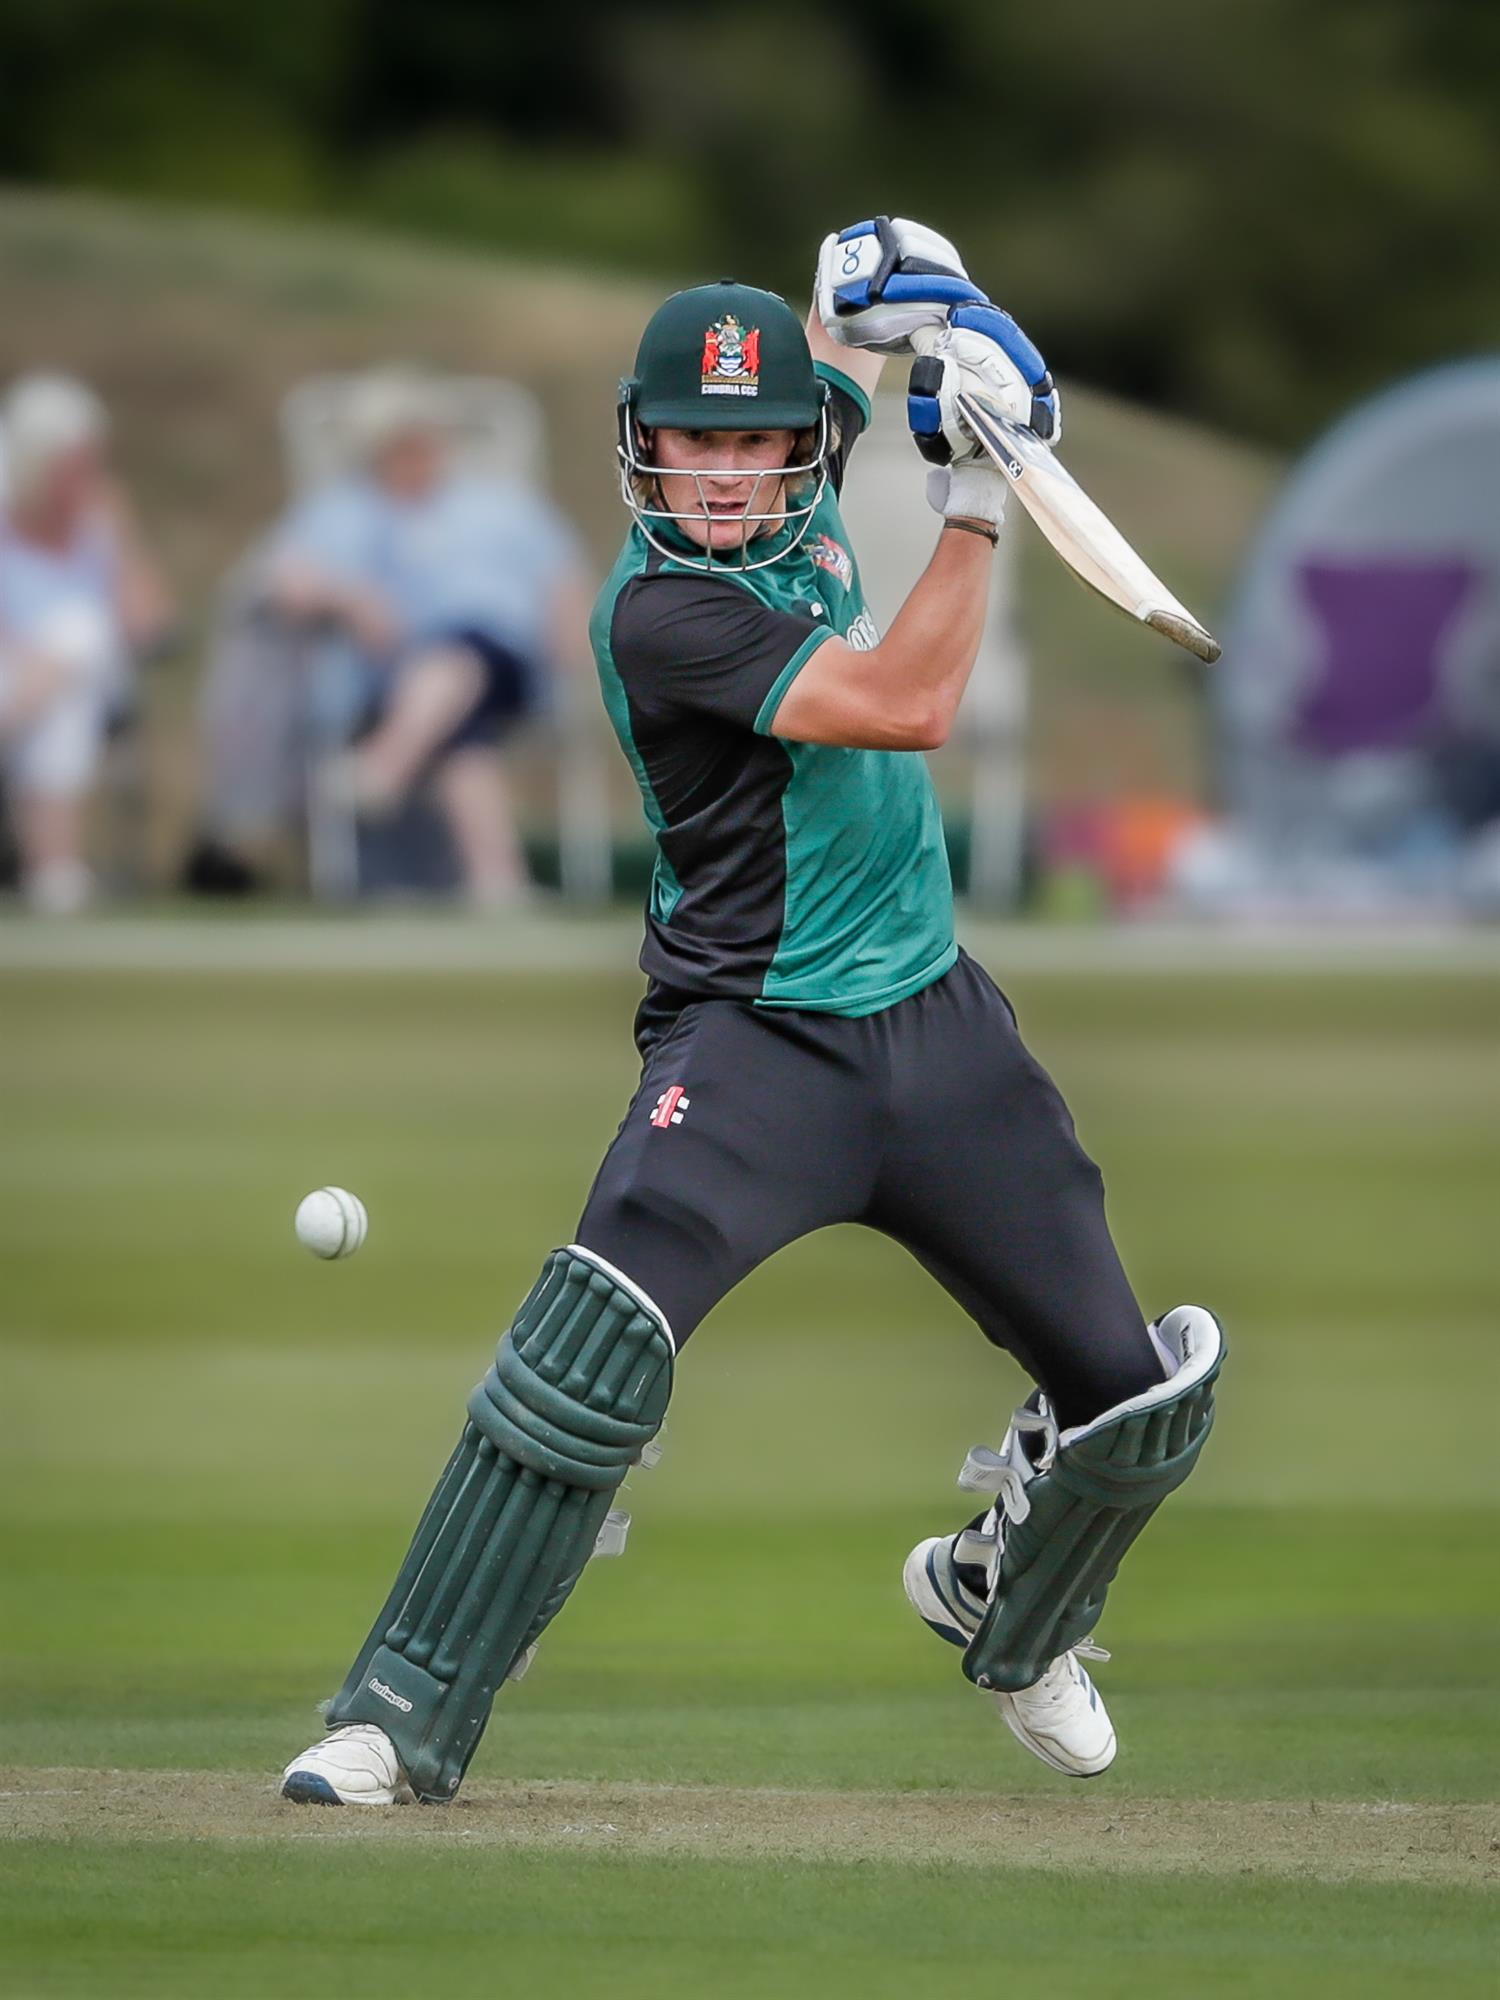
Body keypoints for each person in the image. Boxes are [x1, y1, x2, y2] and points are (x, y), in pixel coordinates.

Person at [281, 219, 1225, 1808]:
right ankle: (397, 1713)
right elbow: (912, 704)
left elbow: (838, 342)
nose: (729, 474)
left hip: (936, 1030)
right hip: (751, 1043)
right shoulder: (660, 618)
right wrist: (978, 486)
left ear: (803, 445)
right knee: (585, 1358)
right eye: (695, 443)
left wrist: (881, 271)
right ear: (644, 450)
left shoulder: (800, 459)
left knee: (1137, 1396)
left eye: (760, 441)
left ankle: (1008, 1598)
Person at [265, 368, 590, 906]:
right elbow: (285, 583)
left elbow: (563, 578)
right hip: (395, 675)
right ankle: (497, 884)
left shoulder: (500, 504)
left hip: (507, 657)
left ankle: (380, 771)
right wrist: (348, 597)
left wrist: (575, 649)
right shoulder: (344, 512)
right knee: (463, 736)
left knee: (460, 659)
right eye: (400, 446)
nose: (416, 457)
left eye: (423, 443)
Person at [0, 373, 172, 912]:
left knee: (80, 634)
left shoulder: (101, 528)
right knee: (63, 670)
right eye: (71, 463)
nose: (85, 476)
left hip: (86, 684)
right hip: (13, 674)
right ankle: (56, 871)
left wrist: (120, 541)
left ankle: (55, 870)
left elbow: (151, 627)